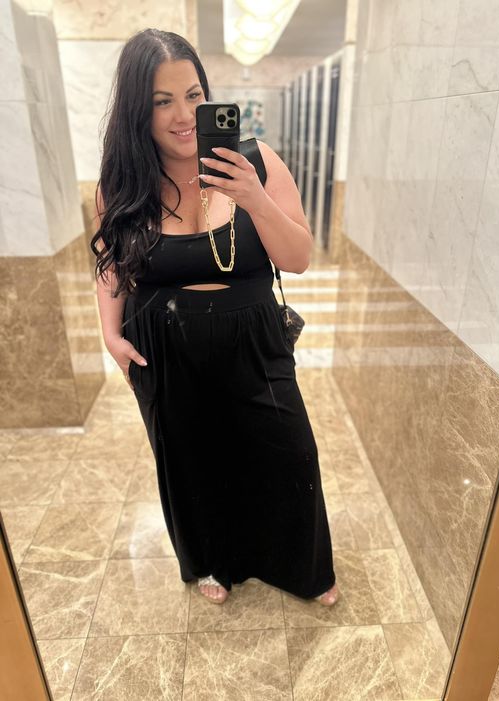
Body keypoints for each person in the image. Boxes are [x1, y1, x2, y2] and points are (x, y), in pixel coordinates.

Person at [92, 28, 339, 606]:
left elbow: (298, 258)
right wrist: (109, 333)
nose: (183, 115)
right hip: (163, 347)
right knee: (191, 461)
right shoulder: (123, 183)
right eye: (163, 101)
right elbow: (111, 265)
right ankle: (211, 561)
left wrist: (253, 197)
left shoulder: (256, 162)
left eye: (194, 95)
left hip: (254, 339)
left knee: (289, 452)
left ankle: (301, 566)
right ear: (138, 109)